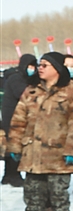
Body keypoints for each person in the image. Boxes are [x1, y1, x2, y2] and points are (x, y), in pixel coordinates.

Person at [7, 52, 73, 211]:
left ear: (57, 69)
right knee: (32, 192)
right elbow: (18, 120)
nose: (40, 68)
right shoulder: (31, 90)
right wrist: (15, 146)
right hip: (32, 153)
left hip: (58, 153)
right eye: (39, 64)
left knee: (58, 192)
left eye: (45, 65)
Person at [2, 54, 39, 188]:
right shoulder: (16, 79)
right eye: (29, 66)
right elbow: (23, 94)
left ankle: (8, 175)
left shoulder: (23, 78)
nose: (32, 69)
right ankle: (13, 175)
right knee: (15, 146)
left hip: (18, 117)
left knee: (12, 146)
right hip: (12, 117)